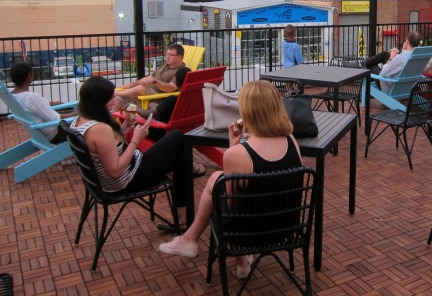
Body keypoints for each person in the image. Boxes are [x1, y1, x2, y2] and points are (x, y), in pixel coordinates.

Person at [159, 80, 303, 279]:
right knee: (220, 182)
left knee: (217, 184)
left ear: (248, 111)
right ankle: (229, 258)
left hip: (248, 234)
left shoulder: (238, 155)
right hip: (286, 228)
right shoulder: (291, 140)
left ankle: (193, 240)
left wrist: (232, 148)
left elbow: (229, 203)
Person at [71, 76, 190, 229]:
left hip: (104, 181)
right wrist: (136, 140)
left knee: (180, 158)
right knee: (177, 137)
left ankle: (184, 220)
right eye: (111, 99)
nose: (114, 102)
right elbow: (115, 170)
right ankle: (184, 219)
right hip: (127, 180)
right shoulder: (100, 129)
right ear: (99, 102)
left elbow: (105, 149)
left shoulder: (80, 121)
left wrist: (123, 129)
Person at [124, 67, 206, 178]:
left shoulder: (173, 100)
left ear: (176, 82)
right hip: (190, 129)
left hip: (163, 132)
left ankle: (130, 162)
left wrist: (132, 107)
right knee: (153, 105)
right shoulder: (198, 98)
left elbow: (147, 115)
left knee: (135, 125)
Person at [9, 61, 75, 144]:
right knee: (88, 123)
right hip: (56, 133)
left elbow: (36, 107)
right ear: (29, 76)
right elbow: (55, 118)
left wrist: (51, 103)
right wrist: (76, 115)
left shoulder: (13, 95)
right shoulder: (30, 98)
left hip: (41, 133)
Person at [114, 43, 186, 109]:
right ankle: (113, 122)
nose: (167, 57)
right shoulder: (165, 64)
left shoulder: (181, 71)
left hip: (158, 100)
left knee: (141, 88)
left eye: (171, 55)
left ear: (179, 57)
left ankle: (115, 93)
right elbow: (148, 78)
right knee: (118, 100)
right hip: (144, 97)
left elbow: (171, 88)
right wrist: (125, 87)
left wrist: (155, 81)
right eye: (167, 54)